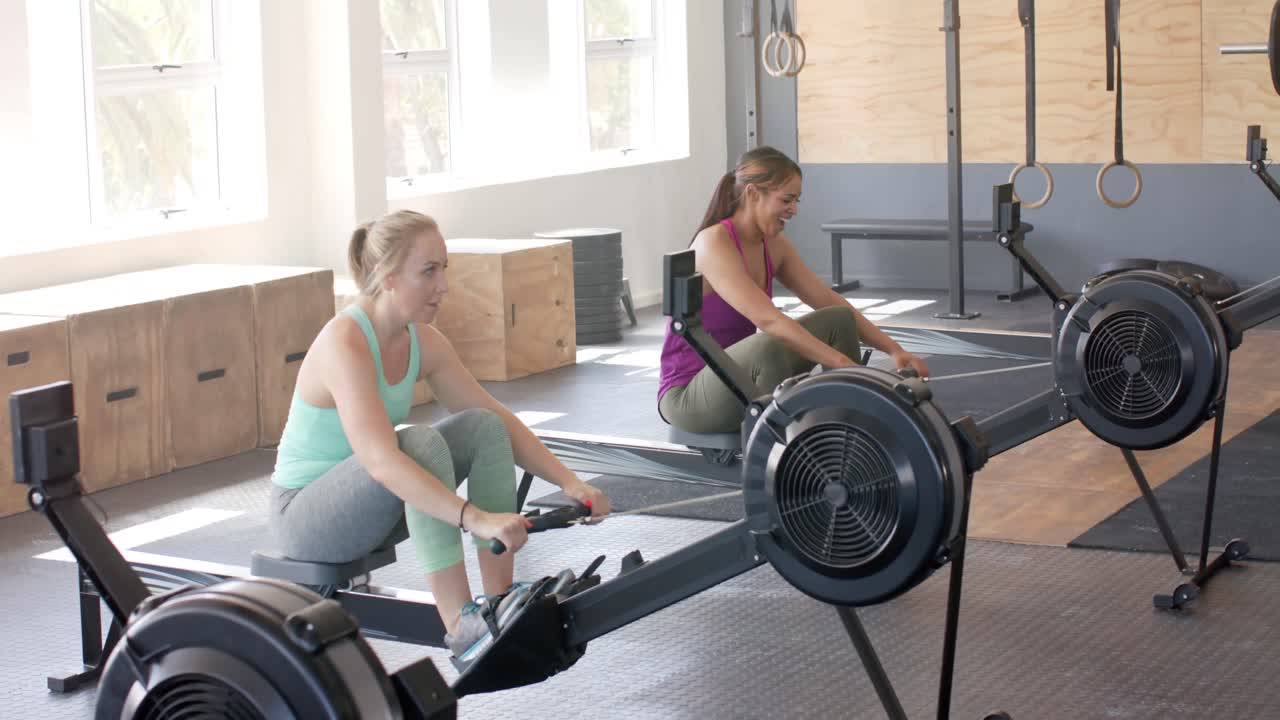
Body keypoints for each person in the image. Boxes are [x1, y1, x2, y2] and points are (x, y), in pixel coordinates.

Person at [269, 209, 611, 659]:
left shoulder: (423, 341)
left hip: (371, 506)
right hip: (307, 517)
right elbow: (380, 460)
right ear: (386, 276)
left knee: (484, 427)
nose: (443, 285)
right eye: (428, 271)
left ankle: (498, 599)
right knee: (416, 443)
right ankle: (461, 626)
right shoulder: (345, 342)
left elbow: (497, 418)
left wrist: (571, 482)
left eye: (443, 269)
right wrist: (476, 517)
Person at [658, 146, 931, 434]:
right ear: (752, 194)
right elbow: (768, 320)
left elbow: (827, 300)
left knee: (837, 318)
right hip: (690, 395)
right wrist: (844, 365)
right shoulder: (713, 242)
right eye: (786, 200)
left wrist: (894, 350)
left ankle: (851, 427)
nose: (794, 210)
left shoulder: (773, 244)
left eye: (797, 200)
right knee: (770, 342)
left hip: (740, 377)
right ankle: (789, 441)